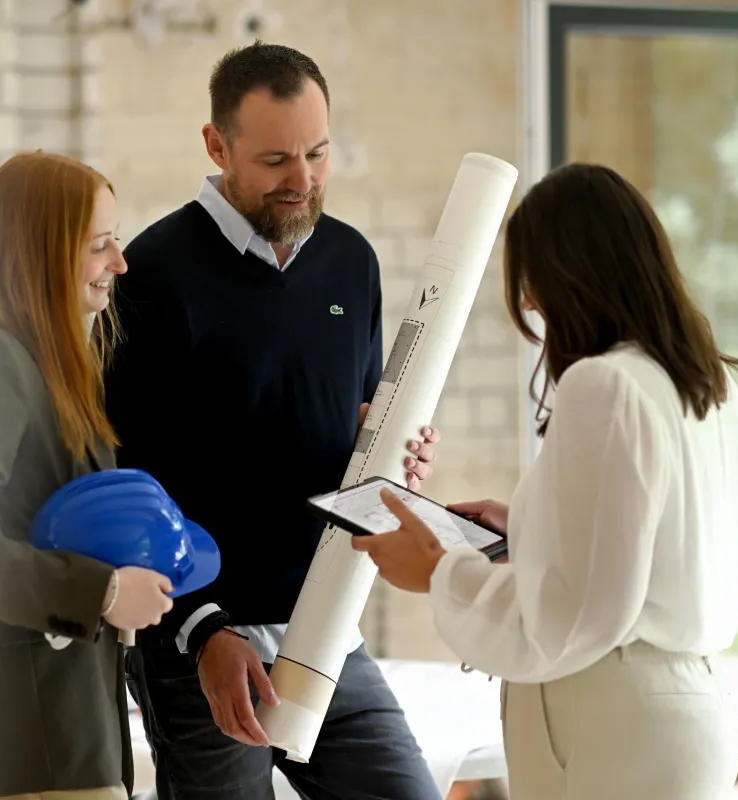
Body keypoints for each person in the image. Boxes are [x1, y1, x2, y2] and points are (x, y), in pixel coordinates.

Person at [104, 42, 444, 800]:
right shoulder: (151, 276)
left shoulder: (353, 261)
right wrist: (203, 630)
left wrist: (391, 455)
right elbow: (132, 482)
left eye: (318, 153)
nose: (303, 180)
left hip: (325, 629)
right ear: (216, 146)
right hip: (203, 641)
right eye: (276, 161)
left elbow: (352, 434)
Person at [353, 162, 738, 800]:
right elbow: (654, 547)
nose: (532, 304)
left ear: (573, 273)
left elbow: (573, 616)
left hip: (617, 727)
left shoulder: (605, 385)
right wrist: (529, 530)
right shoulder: (712, 387)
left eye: (532, 281)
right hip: (683, 712)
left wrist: (438, 569)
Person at [0, 151, 176, 800]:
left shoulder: (61, 374)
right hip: (16, 751)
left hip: (67, 739)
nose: (121, 263)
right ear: (43, 254)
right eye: (100, 246)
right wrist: (105, 593)